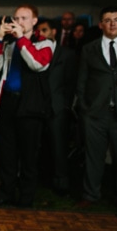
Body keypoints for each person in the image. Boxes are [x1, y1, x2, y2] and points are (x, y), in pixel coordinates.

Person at [0, 4, 54, 207]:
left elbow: (37, 63)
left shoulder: (45, 43)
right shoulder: (9, 42)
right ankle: (6, 194)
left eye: (24, 18)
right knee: (7, 153)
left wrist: (21, 39)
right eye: (17, 18)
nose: (19, 22)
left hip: (30, 106)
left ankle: (26, 198)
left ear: (34, 21)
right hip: (7, 102)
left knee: (28, 155)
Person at [75, 6, 117, 212]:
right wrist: (85, 109)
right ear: (101, 25)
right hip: (96, 113)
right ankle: (90, 195)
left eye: (116, 19)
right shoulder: (90, 48)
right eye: (108, 20)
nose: (112, 23)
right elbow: (82, 81)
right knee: (93, 157)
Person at [36, 19, 77, 195]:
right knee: (39, 146)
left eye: (44, 30)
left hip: (57, 107)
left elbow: (71, 82)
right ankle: (40, 179)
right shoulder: (33, 51)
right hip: (37, 105)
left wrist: (64, 105)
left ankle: (61, 183)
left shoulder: (67, 54)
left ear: (54, 31)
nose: (41, 33)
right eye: (39, 31)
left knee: (59, 146)